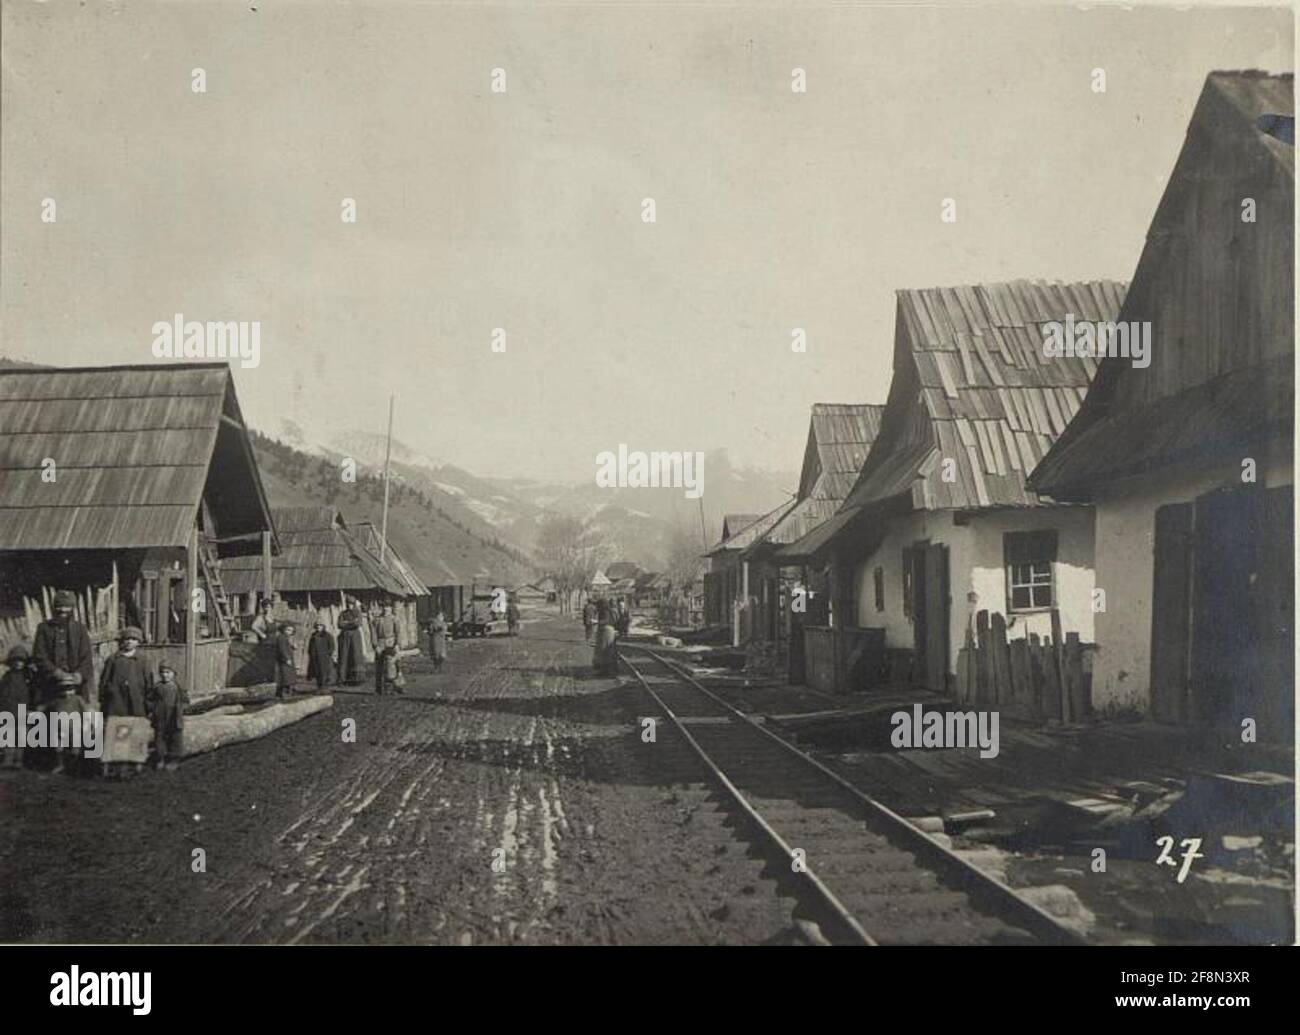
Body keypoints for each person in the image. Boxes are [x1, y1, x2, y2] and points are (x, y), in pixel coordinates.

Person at [31, 589, 95, 709]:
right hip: (50, 685)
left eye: (67, 606)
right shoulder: (44, 628)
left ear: (72, 608)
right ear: (54, 608)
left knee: (76, 719)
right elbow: (39, 656)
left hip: (75, 687)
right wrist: (55, 672)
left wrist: (78, 675)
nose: (63, 610)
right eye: (59, 606)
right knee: (51, 720)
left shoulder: (80, 629)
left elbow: (86, 657)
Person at [99, 627, 151, 719]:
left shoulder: (143, 660)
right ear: (122, 641)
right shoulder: (113, 659)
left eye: (134, 639)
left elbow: (148, 681)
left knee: (136, 725)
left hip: (137, 699)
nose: (130, 641)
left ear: (138, 642)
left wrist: (149, 702)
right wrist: (106, 696)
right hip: (116, 700)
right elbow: (105, 680)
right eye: (127, 639)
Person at [148, 663, 188, 770]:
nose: (165, 675)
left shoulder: (177, 687)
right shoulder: (157, 687)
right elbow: (149, 699)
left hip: (174, 717)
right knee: (159, 738)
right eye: (162, 672)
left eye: (168, 672)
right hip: (160, 716)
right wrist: (153, 709)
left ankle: (174, 760)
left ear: (174, 673)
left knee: (175, 738)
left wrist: (180, 709)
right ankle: (160, 758)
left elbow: (185, 701)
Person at [0, 645, 33, 769]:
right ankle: (8, 759)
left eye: (21, 661)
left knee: (21, 735)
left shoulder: (28, 677)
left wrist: (31, 708)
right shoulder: (6, 677)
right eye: (15, 661)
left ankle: (18, 760)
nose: (18, 663)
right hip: (8, 709)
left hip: (23, 710)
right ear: (11, 663)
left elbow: (32, 693)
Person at [371, 603, 402, 695]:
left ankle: (396, 687)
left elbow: (398, 633)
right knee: (379, 665)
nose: (386, 609)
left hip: (391, 642)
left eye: (388, 607)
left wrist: (397, 644)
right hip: (380, 642)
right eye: (384, 607)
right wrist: (375, 645)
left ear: (391, 608)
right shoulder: (377, 620)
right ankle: (379, 688)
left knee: (394, 665)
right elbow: (373, 634)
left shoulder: (394, 619)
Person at [337, 599, 364, 686]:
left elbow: (358, 623)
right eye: (348, 604)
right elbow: (339, 624)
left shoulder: (358, 613)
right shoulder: (343, 613)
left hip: (355, 636)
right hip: (345, 636)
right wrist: (351, 623)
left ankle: (357, 679)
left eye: (351, 604)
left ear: (354, 605)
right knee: (344, 656)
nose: (350, 606)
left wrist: (347, 623)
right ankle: (343, 678)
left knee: (356, 656)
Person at [592, 598, 618, 676]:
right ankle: (608, 669)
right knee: (608, 651)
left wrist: (596, 622)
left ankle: (605, 671)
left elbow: (606, 621)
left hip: (605, 631)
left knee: (604, 651)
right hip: (609, 631)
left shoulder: (604, 611)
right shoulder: (610, 610)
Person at [307, 620, 335, 691]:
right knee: (317, 672)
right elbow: (311, 646)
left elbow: (331, 646)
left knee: (324, 673)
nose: (318, 627)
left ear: (323, 626)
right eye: (317, 625)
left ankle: (324, 688)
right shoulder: (313, 635)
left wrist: (328, 654)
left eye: (320, 625)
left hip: (324, 657)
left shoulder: (327, 635)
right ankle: (319, 687)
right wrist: (311, 654)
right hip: (315, 657)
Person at [275, 622, 297, 699]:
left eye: (291, 630)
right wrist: (286, 658)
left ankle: (285, 692)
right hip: (284, 660)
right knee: (285, 677)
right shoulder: (281, 638)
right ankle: (283, 693)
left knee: (288, 676)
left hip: (288, 658)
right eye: (287, 630)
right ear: (283, 629)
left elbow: (287, 646)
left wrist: (293, 646)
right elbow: (282, 649)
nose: (289, 632)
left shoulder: (286, 638)